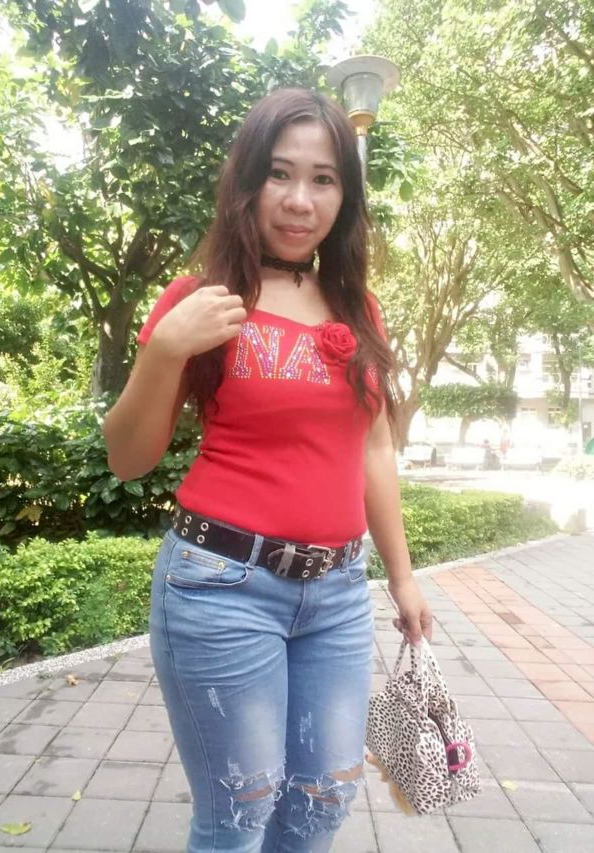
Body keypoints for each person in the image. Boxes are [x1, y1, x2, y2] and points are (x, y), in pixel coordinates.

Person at [103, 88, 432, 853]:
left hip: (338, 595)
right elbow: (127, 457)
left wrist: (403, 576)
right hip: (221, 588)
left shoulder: (359, 307)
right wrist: (164, 350)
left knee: (322, 804)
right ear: (247, 182)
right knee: (238, 814)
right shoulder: (199, 299)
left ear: (345, 197)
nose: (299, 199)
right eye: (280, 173)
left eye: (323, 179)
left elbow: (373, 447)